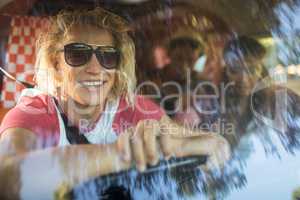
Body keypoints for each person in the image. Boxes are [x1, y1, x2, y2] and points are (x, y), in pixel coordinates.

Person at [0, 7, 230, 198]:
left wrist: (212, 142)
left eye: (107, 56)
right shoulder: (34, 111)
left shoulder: (130, 108)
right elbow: (8, 178)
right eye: (77, 54)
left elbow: (206, 142)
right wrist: (126, 153)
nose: (94, 68)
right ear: (57, 65)